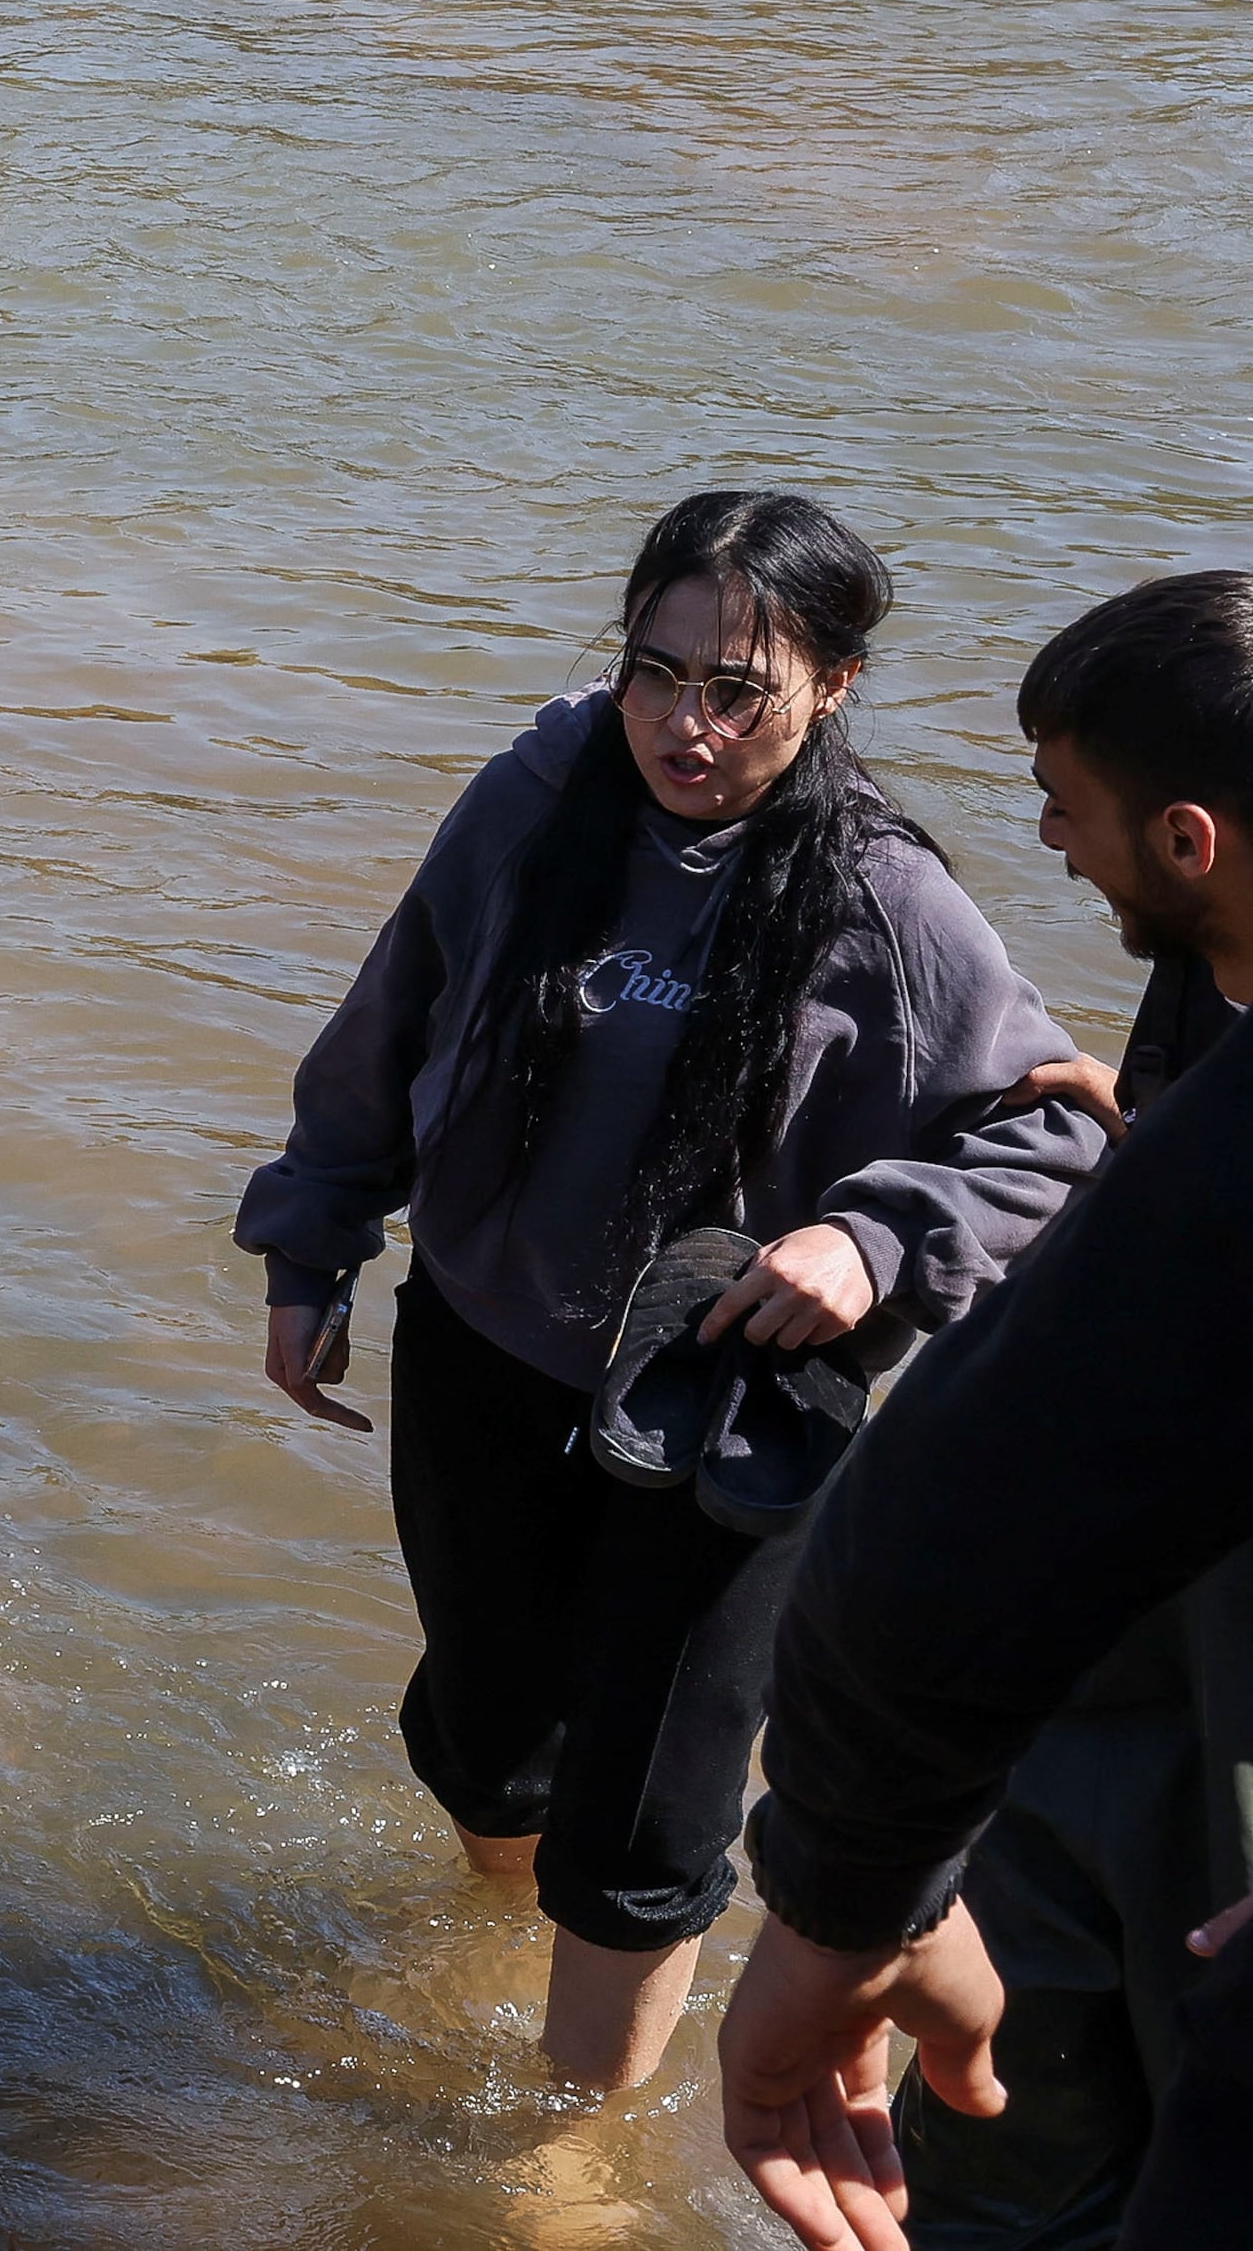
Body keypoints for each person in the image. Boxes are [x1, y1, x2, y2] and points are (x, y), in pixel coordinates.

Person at [235, 494, 1106, 2099]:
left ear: (834, 687)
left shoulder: (883, 899)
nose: (683, 725)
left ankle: (570, 2150)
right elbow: (397, 1004)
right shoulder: (540, 791)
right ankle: (536, 1933)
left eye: (737, 690)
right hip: (485, 1353)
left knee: (642, 1827)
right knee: (488, 1748)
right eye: (655, 671)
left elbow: (1057, 1121)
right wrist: (313, 1237)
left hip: (722, 1412)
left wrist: (877, 1233)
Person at [714, 572, 1253, 2251]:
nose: (1043, 833)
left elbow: (936, 1537)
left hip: (1191, 1717)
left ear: (1189, 838)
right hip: (1062, 1722)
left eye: (1065, 804)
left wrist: (833, 1892)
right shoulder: (1200, 1008)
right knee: (1006, 2140)